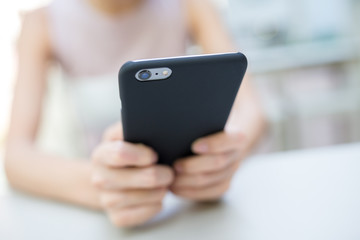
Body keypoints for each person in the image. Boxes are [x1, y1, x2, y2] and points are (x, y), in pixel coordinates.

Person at [5, 0, 265, 227]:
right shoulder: (41, 22)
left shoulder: (190, 5)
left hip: (188, 199)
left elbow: (252, 111)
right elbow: (15, 156)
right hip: (107, 203)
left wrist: (226, 156)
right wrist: (99, 184)